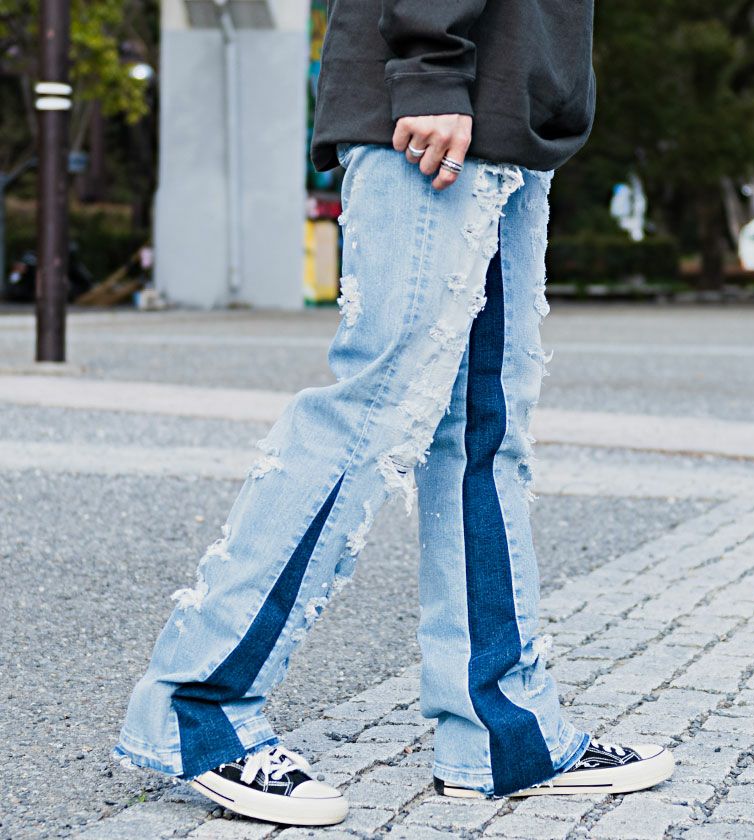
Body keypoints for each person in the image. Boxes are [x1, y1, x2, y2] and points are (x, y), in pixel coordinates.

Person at [113, 0, 675, 826]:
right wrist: (429, 69)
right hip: (442, 108)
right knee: (372, 408)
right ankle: (196, 704)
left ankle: (501, 732)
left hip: (506, 117)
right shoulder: (434, 78)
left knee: (484, 432)